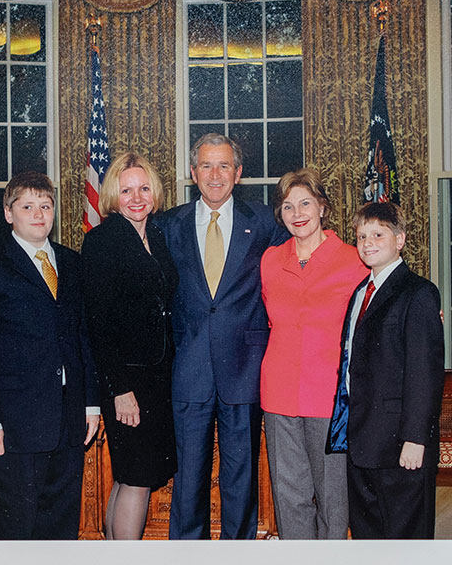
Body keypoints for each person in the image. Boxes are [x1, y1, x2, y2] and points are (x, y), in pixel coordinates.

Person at [156, 133, 288, 539]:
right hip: (188, 368)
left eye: (224, 166)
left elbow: (304, 264)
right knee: (188, 480)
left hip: (244, 368)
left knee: (240, 479)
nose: (216, 175)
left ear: (239, 173)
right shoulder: (166, 225)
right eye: (207, 166)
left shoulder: (265, 221)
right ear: (193, 173)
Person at [0, 171, 100, 540]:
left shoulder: (72, 263)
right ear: (9, 213)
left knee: (62, 522)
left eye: (45, 206)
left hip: (69, 420)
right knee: (18, 526)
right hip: (15, 424)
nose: (38, 214)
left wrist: (90, 405)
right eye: (27, 206)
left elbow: (83, 337)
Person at [260, 169, 368, 539]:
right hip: (278, 394)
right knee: (289, 497)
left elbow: (388, 302)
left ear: (322, 207)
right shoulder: (271, 261)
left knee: (333, 499)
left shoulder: (356, 260)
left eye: (305, 203)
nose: (297, 212)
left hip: (331, 397)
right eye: (287, 206)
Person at [328, 201, 444, 539]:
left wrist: (415, 438)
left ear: (401, 239)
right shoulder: (360, 293)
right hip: (361, 440)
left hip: (400, 445)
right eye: (361, 236)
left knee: (405, 541)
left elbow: (425, 373)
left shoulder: (419, 293)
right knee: (369, 539)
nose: (368, 243)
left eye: (378, 234)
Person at [81, 152, 178, 540]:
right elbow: (98, 323)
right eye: (126, 191)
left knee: (130, 476)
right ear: (112, 196)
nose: (136, 198)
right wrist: (119, 390)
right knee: (136, 478)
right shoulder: (102, 240)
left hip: (158, 379)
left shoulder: (156, 234)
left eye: (143, 189)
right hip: (127, 383)